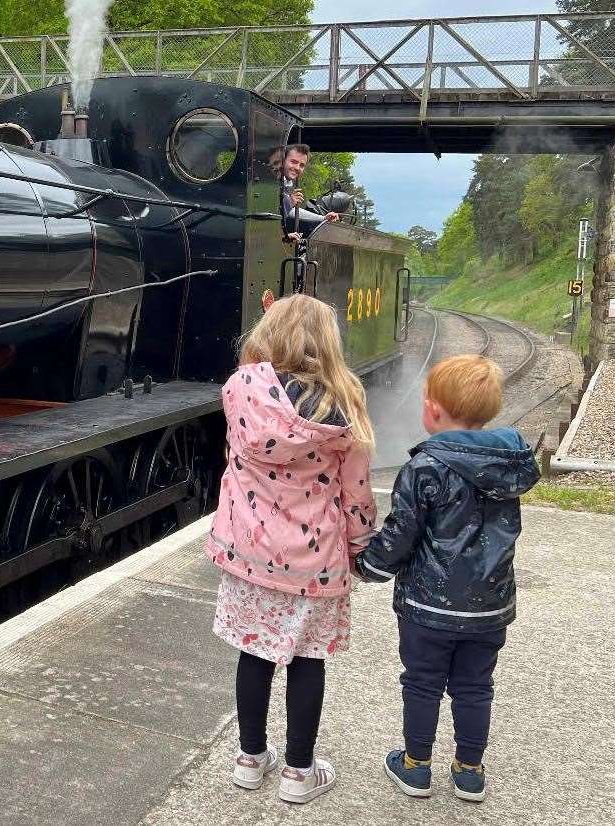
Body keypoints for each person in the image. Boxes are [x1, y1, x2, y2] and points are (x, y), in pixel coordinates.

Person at [205, 294, 377, 805]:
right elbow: (356, 493)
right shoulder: (342, 404)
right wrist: (362, 544)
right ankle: (300, 771)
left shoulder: (239, 389)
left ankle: (250, 759)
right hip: (314, 560)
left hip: (248, 554)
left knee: (253, 654)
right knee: (307, 660)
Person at [352, 354, 539, 803]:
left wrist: (369, 566)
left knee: (422, 683)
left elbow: (402, 533)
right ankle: (469, 772)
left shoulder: (425, 467)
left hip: (428, 607)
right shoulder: (507, 464)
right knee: (475, 686)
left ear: (433, 410)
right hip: (489, 607)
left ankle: (416, 766)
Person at [280, 144, 340, 240]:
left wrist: (323, 218)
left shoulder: (286, 185)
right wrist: (289, 203)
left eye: (302, 165)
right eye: (293, 162)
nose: (297, 168)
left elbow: (291, 211)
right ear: (282, 160)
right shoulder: (270, 183)